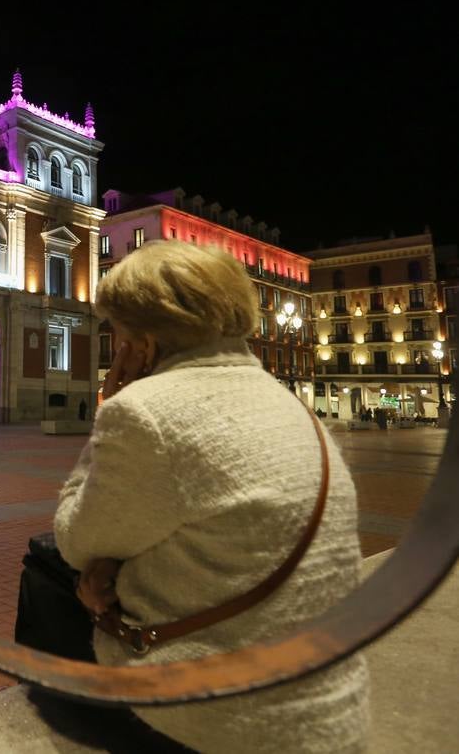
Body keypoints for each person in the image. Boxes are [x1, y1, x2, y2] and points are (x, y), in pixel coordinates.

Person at [54, 241, 369, 753]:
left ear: (145, 345)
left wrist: (109, 407)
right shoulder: (295, 409)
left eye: (118, 332)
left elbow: (74, 537)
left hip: (227, 718)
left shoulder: (144, 412)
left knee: (48, 566)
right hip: (329, 707)